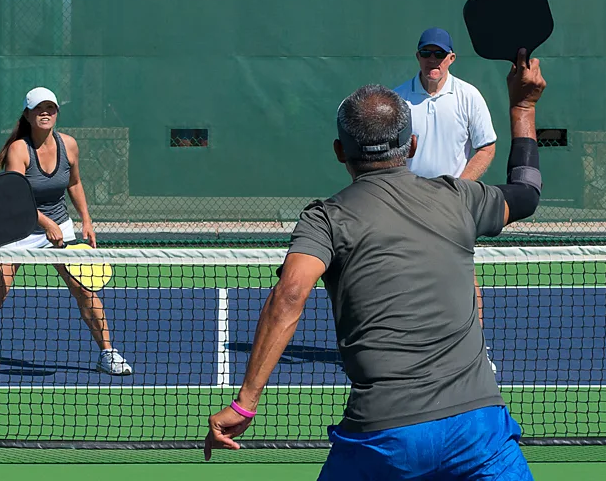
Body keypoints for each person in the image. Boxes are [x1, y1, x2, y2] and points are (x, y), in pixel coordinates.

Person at [205, 48, 545, 480]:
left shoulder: (325, 218)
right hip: (478, 432)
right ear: (413, 144)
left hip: (384, 438)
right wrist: (522, 106)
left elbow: (290, 294)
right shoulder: (459, 198)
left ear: (338, 151)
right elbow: (527, 191)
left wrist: (245, 403)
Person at [0, 87, 133, 377]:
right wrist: (45, 224)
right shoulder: (19, 150)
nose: (45, 113)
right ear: (28, 114)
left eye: (50, 108)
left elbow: (74, 183)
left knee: (84, 291)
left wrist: (86, 219)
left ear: (57, 113)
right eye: (39, 108)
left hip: (59, 226)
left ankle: (107, 353)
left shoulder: (69, 145)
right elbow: (16, 198)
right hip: (18, 229)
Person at [395, 27, 499, 372]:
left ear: (451, 58)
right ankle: (409, 351)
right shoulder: (398, 100)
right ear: (418, 57)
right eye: (427, 53)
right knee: (404, 278)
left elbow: (486, 146)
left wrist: (460, 187)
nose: (432, 61)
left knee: (463, 278)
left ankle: (475, 354)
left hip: (454, 204)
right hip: (407, 206)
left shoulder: (468, 96)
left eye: (439, 54)